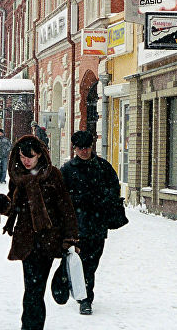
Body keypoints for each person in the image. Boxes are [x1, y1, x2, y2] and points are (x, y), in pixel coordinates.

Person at [0, 135, 78, 330]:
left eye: (30, 157)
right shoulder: (18, 177)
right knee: (32, 289)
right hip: (26, 239)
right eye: (23, 156)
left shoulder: (53, 175)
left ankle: (31, 326)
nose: (25, 161)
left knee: (35, 290)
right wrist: (2, 204)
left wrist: (71, 237)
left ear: (40, 154)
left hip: (48, 240)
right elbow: (13, 206)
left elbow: (65, 207)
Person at [60, 131, 121, 316]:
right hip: (77, 225)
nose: (84, 151)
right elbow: (61, 197)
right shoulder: (68, 170)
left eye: (87, 148)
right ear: (75, 149)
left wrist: (102, 201)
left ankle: (83, 292)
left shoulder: (103, 167)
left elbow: (114, 188)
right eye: (80, 148)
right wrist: (78, 200)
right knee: (81, 262)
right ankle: (85, 298)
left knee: (92, 262)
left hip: (97, 223)